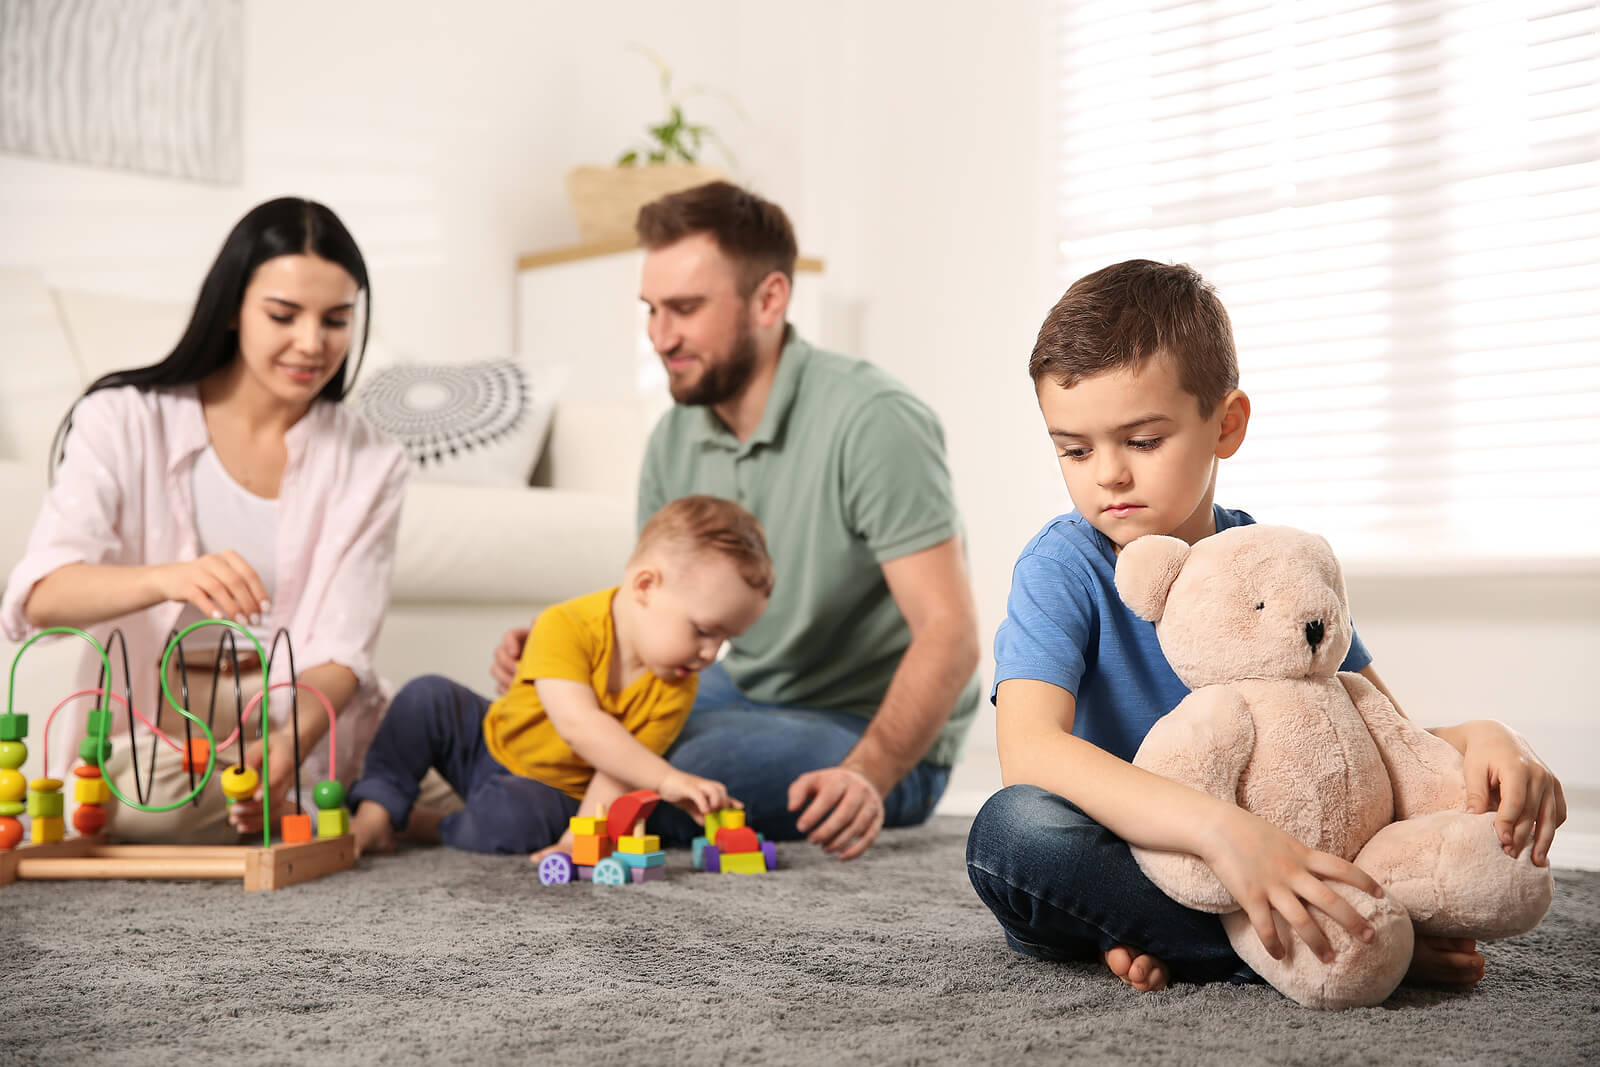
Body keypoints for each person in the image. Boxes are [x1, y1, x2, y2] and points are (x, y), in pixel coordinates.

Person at [964, 259, 1569, 993]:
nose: (1108, 476)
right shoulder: (1063, 564)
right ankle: (1319, 940)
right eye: (1075, 449)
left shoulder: (1274, 561)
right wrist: (1225, 835)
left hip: (1278, 845)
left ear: (1227, 423)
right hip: (1134, 849)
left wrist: (1486, 737)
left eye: (1143, 441)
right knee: (1014, 834)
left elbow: (1376, 730)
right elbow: (1030, 752)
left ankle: (1192, 938)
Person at [492, 182, 983, 861]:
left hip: (869, 728)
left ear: (770, 300)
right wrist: (575, 646)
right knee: (564, 724)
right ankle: (522, 798)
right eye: (652, 309)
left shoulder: (873, 420)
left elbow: (950, 633)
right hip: (741, 686)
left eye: (685, 308)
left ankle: (537, 807)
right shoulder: (673, 439)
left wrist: (869, 772)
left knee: (685, 769)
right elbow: (649, 609)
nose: (661, 336)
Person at [0, 197, 408, 843]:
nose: (312, 342)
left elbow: (343, 648)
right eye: (283, 314)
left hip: (295, 717)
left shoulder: (371, 459)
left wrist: (285, 744)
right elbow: (41, 595)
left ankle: (359, 796)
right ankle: (378, 806)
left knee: (489, 748)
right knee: (145, 799)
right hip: (161, 728)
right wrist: (169, 578)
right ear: (231, 309)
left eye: (336, 319)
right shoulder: (123, 419)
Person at [349, 494, 773, 858]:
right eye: (702, 630)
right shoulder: (565, 624)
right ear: (645, 586)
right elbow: (578, 725)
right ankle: (377, 810)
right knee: (426, 696)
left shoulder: (677, 685)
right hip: (490, 743)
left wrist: (577, 842)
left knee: (516, 819)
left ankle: (430, 826)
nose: (710, 653)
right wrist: (668, 779)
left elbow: (618, 772)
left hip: (555, 789)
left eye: (724, 640)